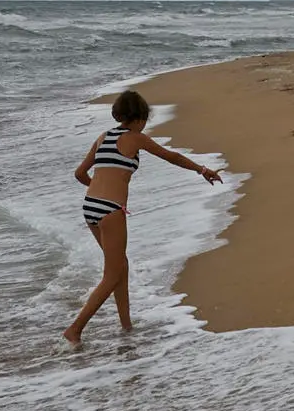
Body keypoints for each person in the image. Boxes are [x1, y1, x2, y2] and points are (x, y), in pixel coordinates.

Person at [64, 90, 222, 345]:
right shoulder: (135, 138)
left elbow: (80, 173)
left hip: (90, 207)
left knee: (120, 267)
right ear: (139, 118)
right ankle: (75, 330)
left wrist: (100, 189)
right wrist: (202, 170)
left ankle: (126, 326)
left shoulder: (103, 136)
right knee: (112, 275)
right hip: (110, 209)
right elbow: (172, 156)